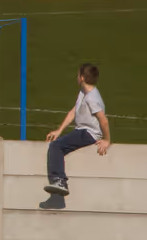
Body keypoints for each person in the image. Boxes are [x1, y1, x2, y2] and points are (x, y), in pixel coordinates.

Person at [44, 64, 111, 197]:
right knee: (59, 143)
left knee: (56, 146)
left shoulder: (92, 98)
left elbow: (104, 120)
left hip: (89, 134)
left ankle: (59, 181)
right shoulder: (83, 92)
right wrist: (59, 131)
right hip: (80, 130)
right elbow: (73, 112)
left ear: (81, 78)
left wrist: (107, 140)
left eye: (77, 75)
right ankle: (59, 180)